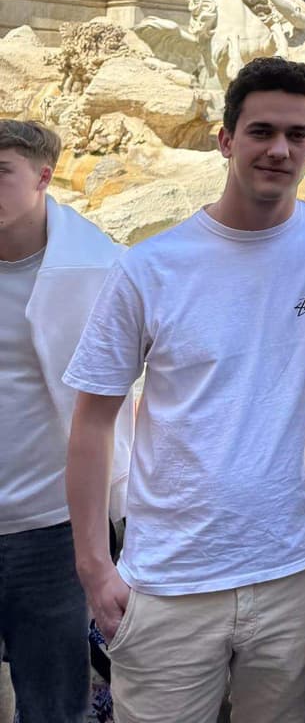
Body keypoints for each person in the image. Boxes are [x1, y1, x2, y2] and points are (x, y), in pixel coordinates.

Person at [65, 57, 305, 723]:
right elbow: (92, 420)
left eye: (297, 135)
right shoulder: (151, 266)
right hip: (170, 581)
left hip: (297, 574)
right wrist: (95, 567)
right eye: (261, 131)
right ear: (225, 139)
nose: (280, 149)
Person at [0, 120, 133, 723]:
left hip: (50, 529)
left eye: (2, 173)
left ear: (44, 179)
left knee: (53, 704)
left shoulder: (102, 270)